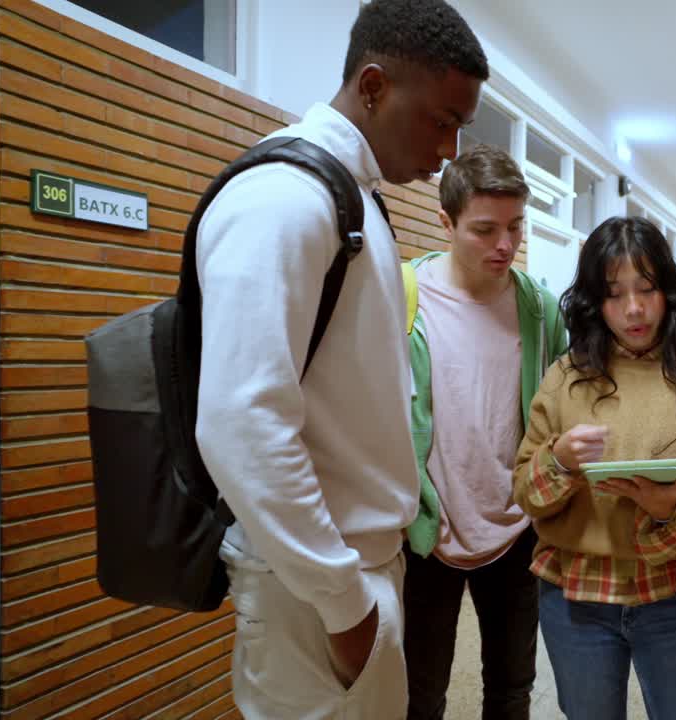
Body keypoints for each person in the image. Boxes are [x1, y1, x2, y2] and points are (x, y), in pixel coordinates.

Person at [192, 1, 487, 717]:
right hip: (318, 592)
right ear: (375, 86)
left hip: (351, 572)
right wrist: (343, 604)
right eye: (441, 120)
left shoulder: (354, 198)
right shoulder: (286, 197)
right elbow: (240, 422)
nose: (449, 151)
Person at [511, 216, 676, 720]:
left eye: (646, 289)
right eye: (615, 294)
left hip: (673, 595)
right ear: (595, 302)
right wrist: (557, 461)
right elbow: (525, 492)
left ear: (667, 290)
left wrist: (669, 510)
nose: (635, 309)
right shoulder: (565, 377)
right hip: (575, 595)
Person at [400, 144, 568, 720]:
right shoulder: (402, 299)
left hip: (516, 529)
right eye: (485, 229)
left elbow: (559, 409)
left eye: (516, 226)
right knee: (419, 696)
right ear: (445, 222)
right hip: (428, 530)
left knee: (511, 688)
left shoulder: (541, 310)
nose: (505, 244)